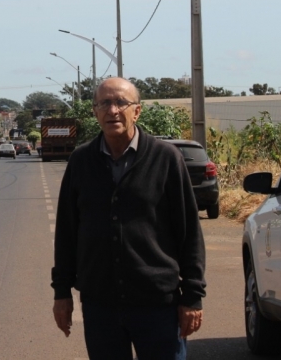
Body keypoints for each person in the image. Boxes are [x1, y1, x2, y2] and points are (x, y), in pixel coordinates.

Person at [51, 77, 205, 360]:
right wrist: (62, 293)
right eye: (104, 103)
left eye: (121, 102)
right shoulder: (81, 161)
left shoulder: (166, 159)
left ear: (137, 110)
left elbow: (189, 233)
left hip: (158, 305)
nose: (112, 110)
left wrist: (193, 296)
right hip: (100, 306)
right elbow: (67, 233)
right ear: (94, 111)